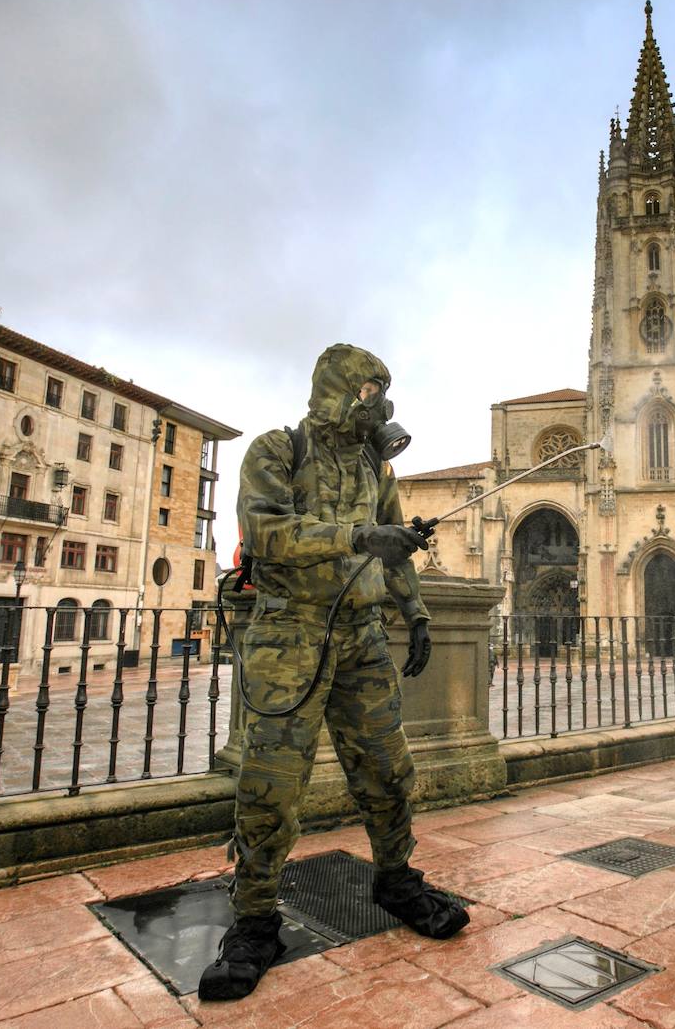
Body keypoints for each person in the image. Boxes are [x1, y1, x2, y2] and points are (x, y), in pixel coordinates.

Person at [199, 343, 468, 1001]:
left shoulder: (375, 467)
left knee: (387, 770)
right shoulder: (276, 450)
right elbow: (266, 533)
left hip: (361, 637)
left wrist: (416, 610)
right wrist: (355, 539)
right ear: (337, 389)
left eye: (382, 389)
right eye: (368, 388)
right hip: (290, 635)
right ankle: (255, 920)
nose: (376, 400)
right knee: (271, 788)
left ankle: (397, 880)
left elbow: (394, 539)